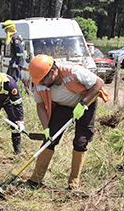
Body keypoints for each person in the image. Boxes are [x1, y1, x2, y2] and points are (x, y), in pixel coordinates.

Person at [22, 54, 105, 190]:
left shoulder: (73, 72)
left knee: (80, 141)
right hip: (63, 106)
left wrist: (83, 104)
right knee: (50, 140)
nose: (41, 83)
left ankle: (73, 183)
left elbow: (98, 83)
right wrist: (46, 128)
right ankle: (35, 180)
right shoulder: (39, 83)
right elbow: (40, 105)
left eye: (43, 80)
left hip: (85, 103)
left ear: (53, 72)